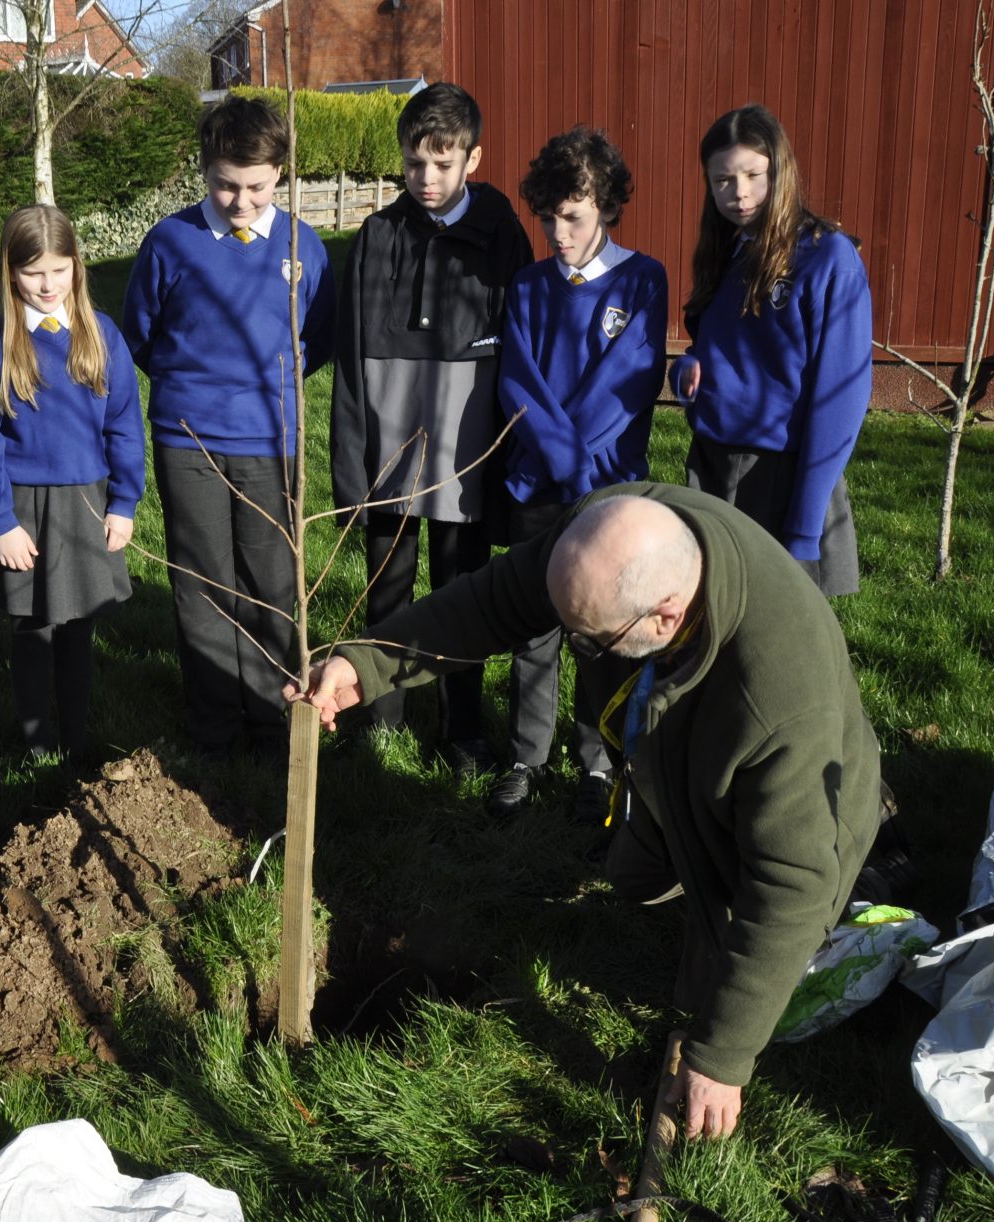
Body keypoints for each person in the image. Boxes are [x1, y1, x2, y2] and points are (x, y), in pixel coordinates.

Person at [288, 486, 881, 1141]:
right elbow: (494, 602)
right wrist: (366, 664)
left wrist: (722, 1057)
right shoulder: (602, 539)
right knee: (634, 876)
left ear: (666, 617)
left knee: (724, 953)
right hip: (666, 761)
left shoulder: (781, 700)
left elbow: (790, 884)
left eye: (587, 639)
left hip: (791, 817)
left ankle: (753, 948)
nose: (572, 645)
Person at [121, 95, 334, 757]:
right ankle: (213, 725)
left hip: (271, 439)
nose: (241, 201)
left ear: (280, 175)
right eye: (225, 185)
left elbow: (318, 336)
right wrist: (192, 389)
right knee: (205, 581)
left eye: (257, 187)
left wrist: (268, 392)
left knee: (271, 582)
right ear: (204, 170)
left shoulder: (303, 247)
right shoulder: (170, 242)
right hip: (188, 439)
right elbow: (141, 333)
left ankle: (270, 716)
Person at [330, 81, 530, 779]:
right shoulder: (377, 237)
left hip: (465, 457)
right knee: (387, 589)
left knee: (459, 594)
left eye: (443, 164)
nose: (427, 178)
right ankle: (381, 717)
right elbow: (351, 363)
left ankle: (463, 727)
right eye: (415, 163)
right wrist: (351, 469)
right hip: (389, 453)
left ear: (474, 159)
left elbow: (519, 351)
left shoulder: (502, 235)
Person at [495, 127, 669, 822]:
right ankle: (525, 756)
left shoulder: (642, 280)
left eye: (572, 217)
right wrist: (561, 461)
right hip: (537, 485)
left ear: (607, 207)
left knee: (602, 629)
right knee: (533, 628)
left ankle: (598, 760)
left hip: (609, 487)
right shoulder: (528, 286)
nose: (557, 233)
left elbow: (627, 382)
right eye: (547, 218)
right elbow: (518, 382)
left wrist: (578, 466)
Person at [0, 205, 145, 766]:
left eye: (58, 270)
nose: (47, 285)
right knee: (33, 626)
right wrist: (1, 522)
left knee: (77, 625)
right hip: (21, 509)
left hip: (86, 502)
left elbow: (124, 424)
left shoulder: (101, 334)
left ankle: (76, 744)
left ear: (75, 267)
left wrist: (124, 502)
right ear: (10, 271)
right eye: (33, 272)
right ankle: (38, 747)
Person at [674, 105, 872, 597]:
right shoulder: (728, 251)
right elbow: (720, 342)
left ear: (779, 172)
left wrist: (805, 525)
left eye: (752, 175)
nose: (738, 193)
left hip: (783, 478)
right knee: (714, 621)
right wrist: (689, 369)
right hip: (714, 467)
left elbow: (841, 399)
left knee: (780, 635)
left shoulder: (827, 258)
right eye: (722, 180)